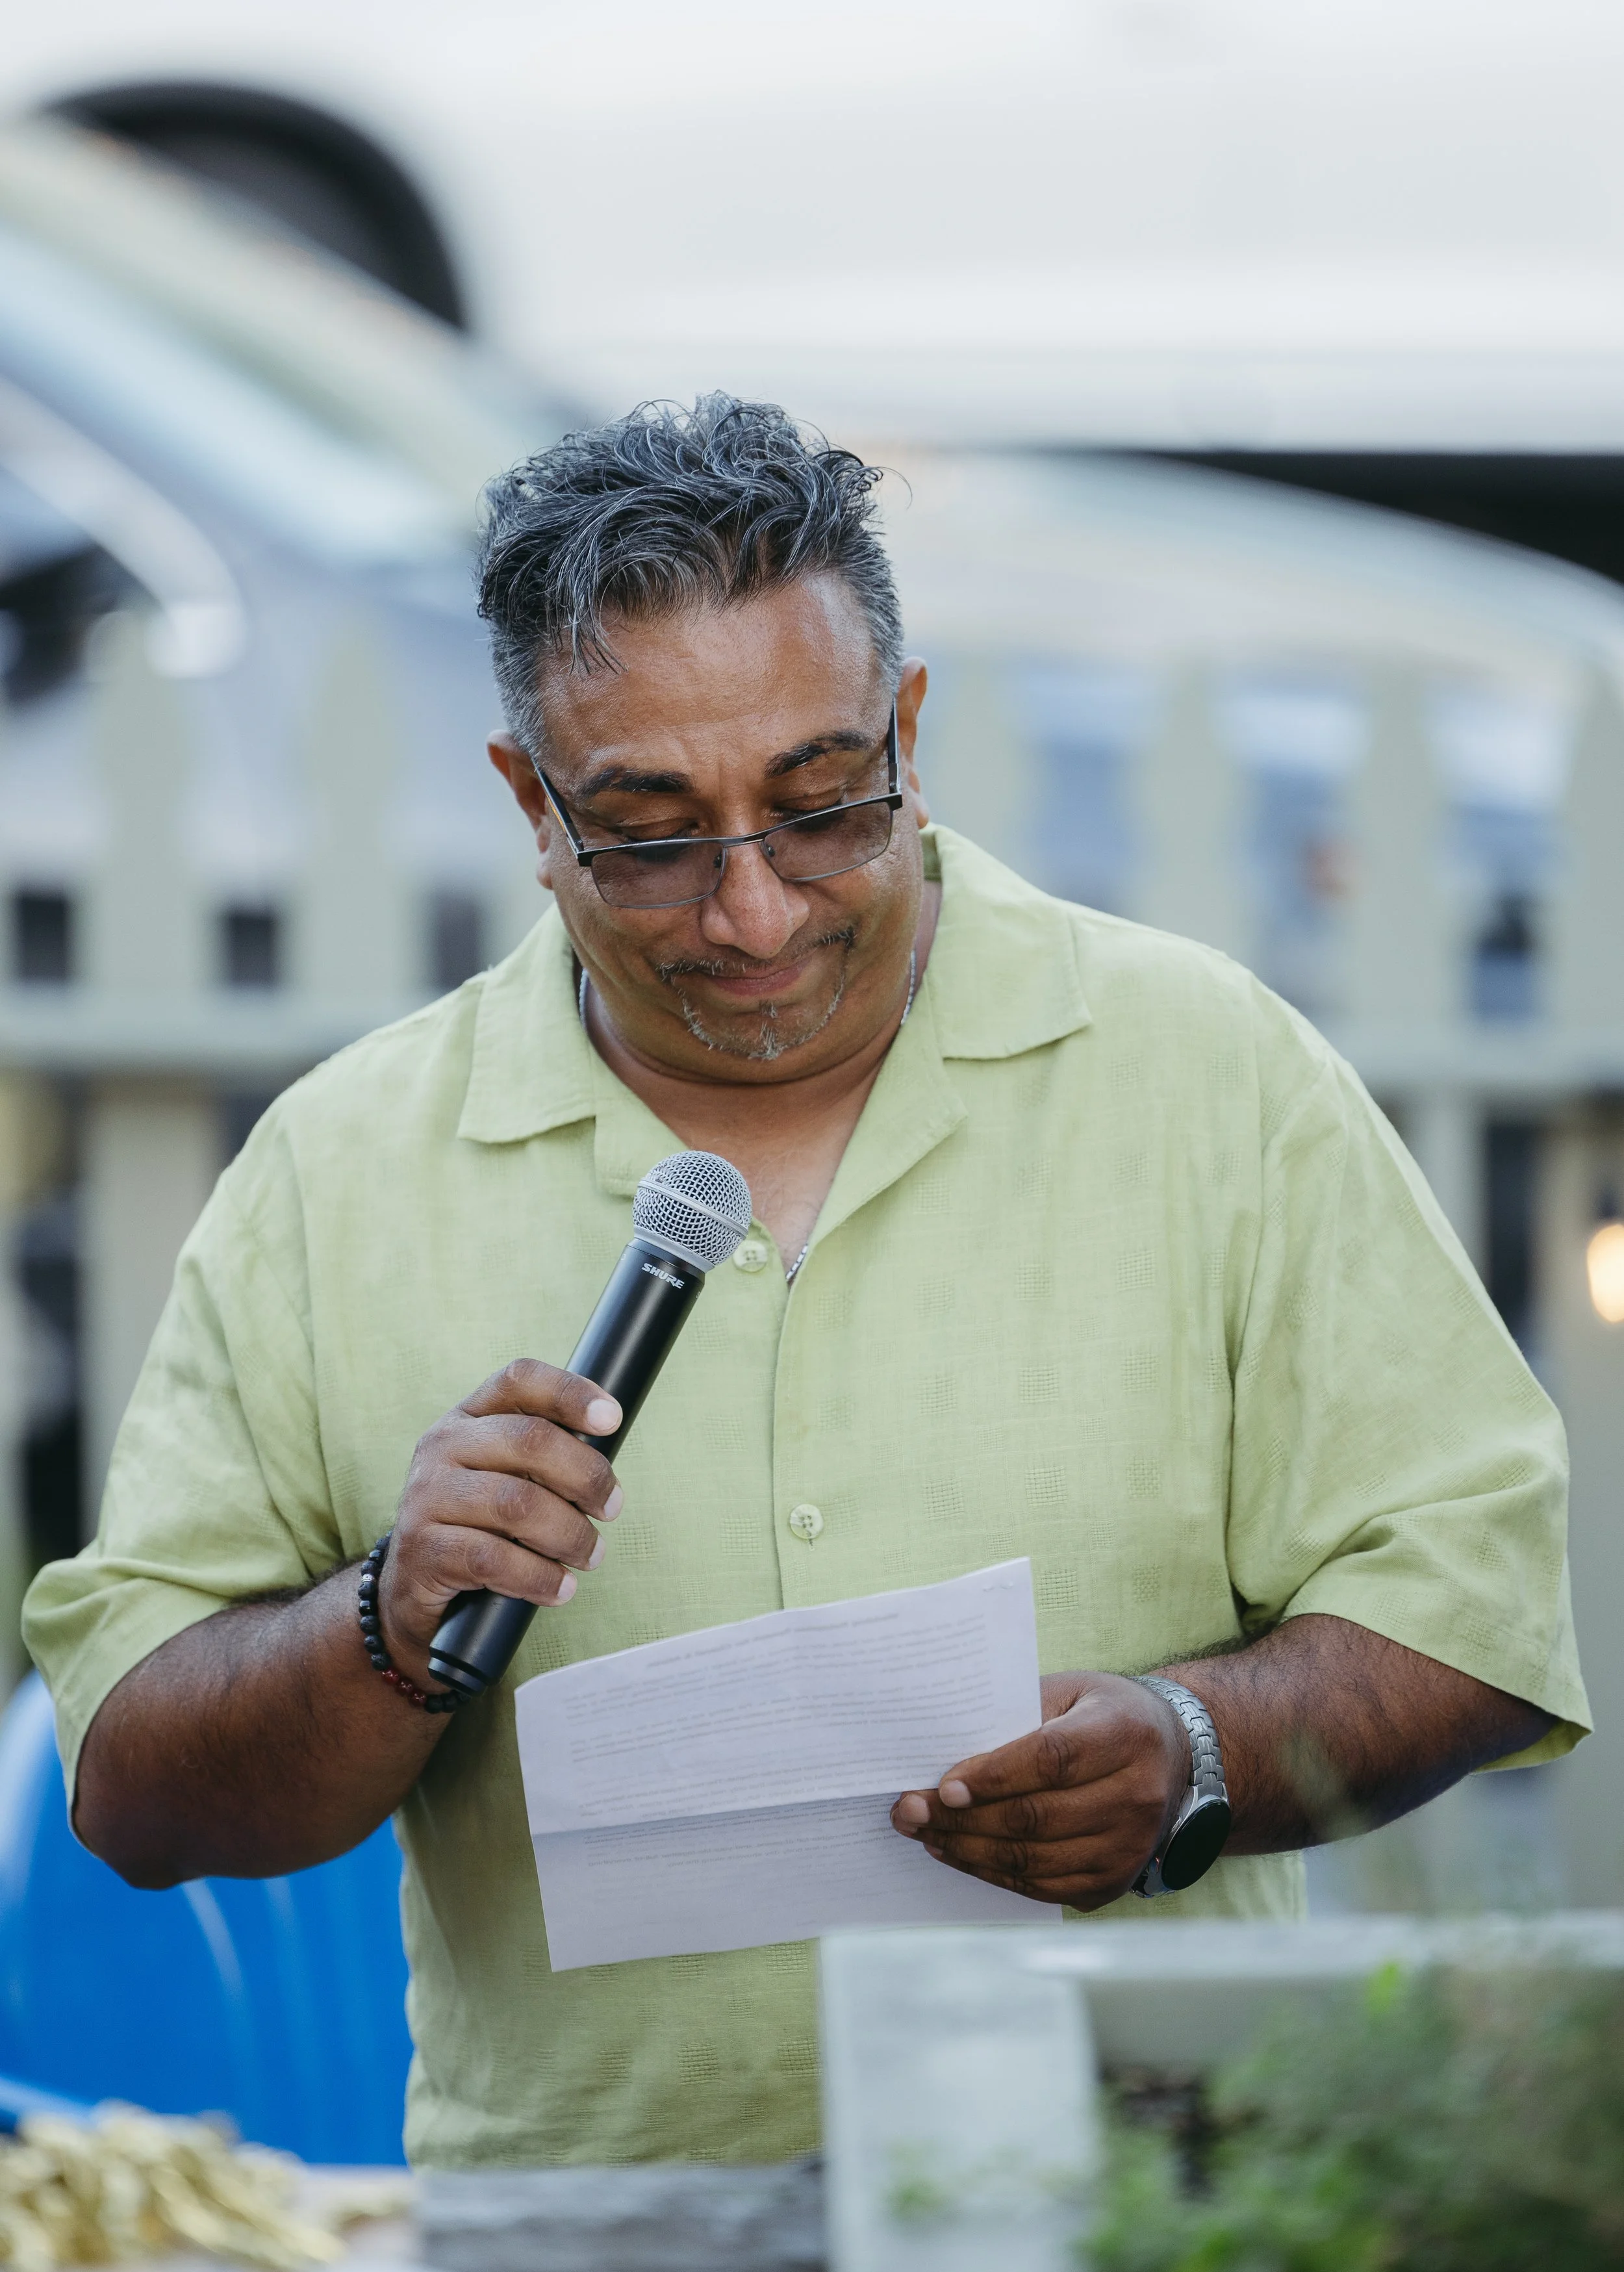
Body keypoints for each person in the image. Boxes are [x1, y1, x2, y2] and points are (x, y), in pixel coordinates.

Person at [24, 397, 1588, 2171]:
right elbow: (137, 1788)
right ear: (528, 806)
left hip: (1148, 2208)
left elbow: (1472, 1610)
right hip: (591, 2242)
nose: (754, 912)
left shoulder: (1212, 1075)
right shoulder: (339, 1167)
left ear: (910, 733)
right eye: (648, 831)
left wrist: (1195, 1749)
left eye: (823, 806)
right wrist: (383, 1621)